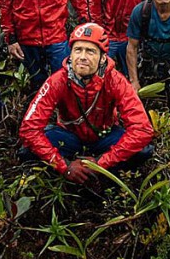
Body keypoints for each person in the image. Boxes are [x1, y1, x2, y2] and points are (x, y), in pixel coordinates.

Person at [19, 23, 154, 183]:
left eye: (90, 51)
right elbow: (29, 129)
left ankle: (105, 180)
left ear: (103, 58)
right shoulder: (57, 81)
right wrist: (64, 166)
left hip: (105, 136)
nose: (82, 57)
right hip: (68, 136)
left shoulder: (116, 81)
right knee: (27, 151)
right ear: (70, 54)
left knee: (143, 151)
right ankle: (69, 175)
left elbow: (142, 130)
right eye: (78, 50)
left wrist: (101, 163)